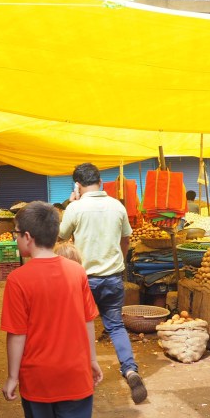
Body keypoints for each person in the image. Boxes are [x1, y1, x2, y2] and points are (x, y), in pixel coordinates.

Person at [1, 202, 107, 418]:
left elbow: (17, 334)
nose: (16, 239)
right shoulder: (76, 272)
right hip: (76, 372)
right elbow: (88, 320)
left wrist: (12, 376)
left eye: (16, 234)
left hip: (38, 377)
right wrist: (92, 359)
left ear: (28, 238)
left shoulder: (18, 280)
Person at [59, 163, 147, 404]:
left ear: (77, 185)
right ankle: (130, 370)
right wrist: (119, 261)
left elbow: (61, 236)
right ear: (100, 182)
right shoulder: (117, 206)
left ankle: (82, 374)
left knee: (79, 326)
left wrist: (70, 203)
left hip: (83, 279)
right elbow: (126, 240)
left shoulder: (75, 208)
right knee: (116, 326)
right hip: (113, 277)